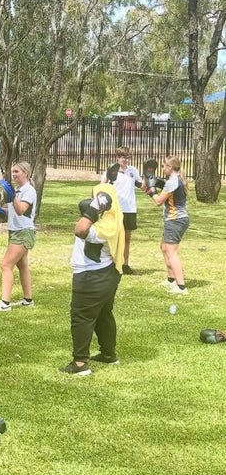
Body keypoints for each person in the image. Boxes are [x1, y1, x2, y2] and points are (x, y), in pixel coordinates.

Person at [61, 184, 123, 375]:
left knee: (81, 317)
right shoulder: (112, 220)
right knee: (103, 314)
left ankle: (80, 363)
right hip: (108, 274)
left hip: (91, 277)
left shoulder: (103, 227)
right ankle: (108, 354)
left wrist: (93, 209)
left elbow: (80, 230)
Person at [0, 162, 38, 312]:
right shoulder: (18, 190)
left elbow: (21, 210)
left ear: (25, 173)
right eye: (13, 172)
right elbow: (11, 209)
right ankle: (28, 300)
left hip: (23, 232)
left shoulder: (28, 191)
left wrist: (12, 197)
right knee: (22, 265)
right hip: (16, 231)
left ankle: (5, 303)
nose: (14, 174)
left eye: (16, 171)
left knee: (5, 265)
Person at [149, 156, 189, 295]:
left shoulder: (172, 181)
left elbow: (159, 201)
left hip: (175, 219)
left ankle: (181, 287)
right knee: (164, 247)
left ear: (170, 167)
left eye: (164, 165)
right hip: (175, 219)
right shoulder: (176, 179)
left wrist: (152, 191)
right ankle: (171, 279)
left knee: (172, 252)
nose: (162, 168)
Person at [101, 146, 144, 274]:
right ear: (118, 158)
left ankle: (125, 264)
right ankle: (113, 263)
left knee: (127, 238)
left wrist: (150, 182)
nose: (125, 160)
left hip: (130, 208)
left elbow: (141, 185)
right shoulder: (111, 170)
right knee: (114, 237)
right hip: (116, 209)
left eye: (127, 157)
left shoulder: (132, 170)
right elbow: (102, 185)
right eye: (123, 157)